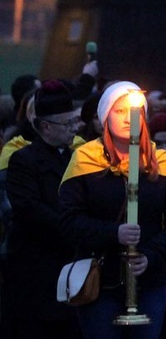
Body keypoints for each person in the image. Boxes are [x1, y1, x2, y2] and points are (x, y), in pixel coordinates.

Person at [59, 81, 166, 339]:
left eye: (135, 112)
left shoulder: (160, 161)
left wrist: (151, 255)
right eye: (119, 111)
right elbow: (69, 220)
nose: (128, 119)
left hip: (149, 283)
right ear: (105, 117)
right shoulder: (85, 160)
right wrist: (113, 233)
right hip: (100, 283)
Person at [3, 80, 82, 339]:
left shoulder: (77, 159)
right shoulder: (23, 160)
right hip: (35, 274)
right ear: (45, 126)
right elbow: (29, 210)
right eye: (67, 123)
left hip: (71, 271)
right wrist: (78, 228)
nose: (75, 128)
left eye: (75, 120)